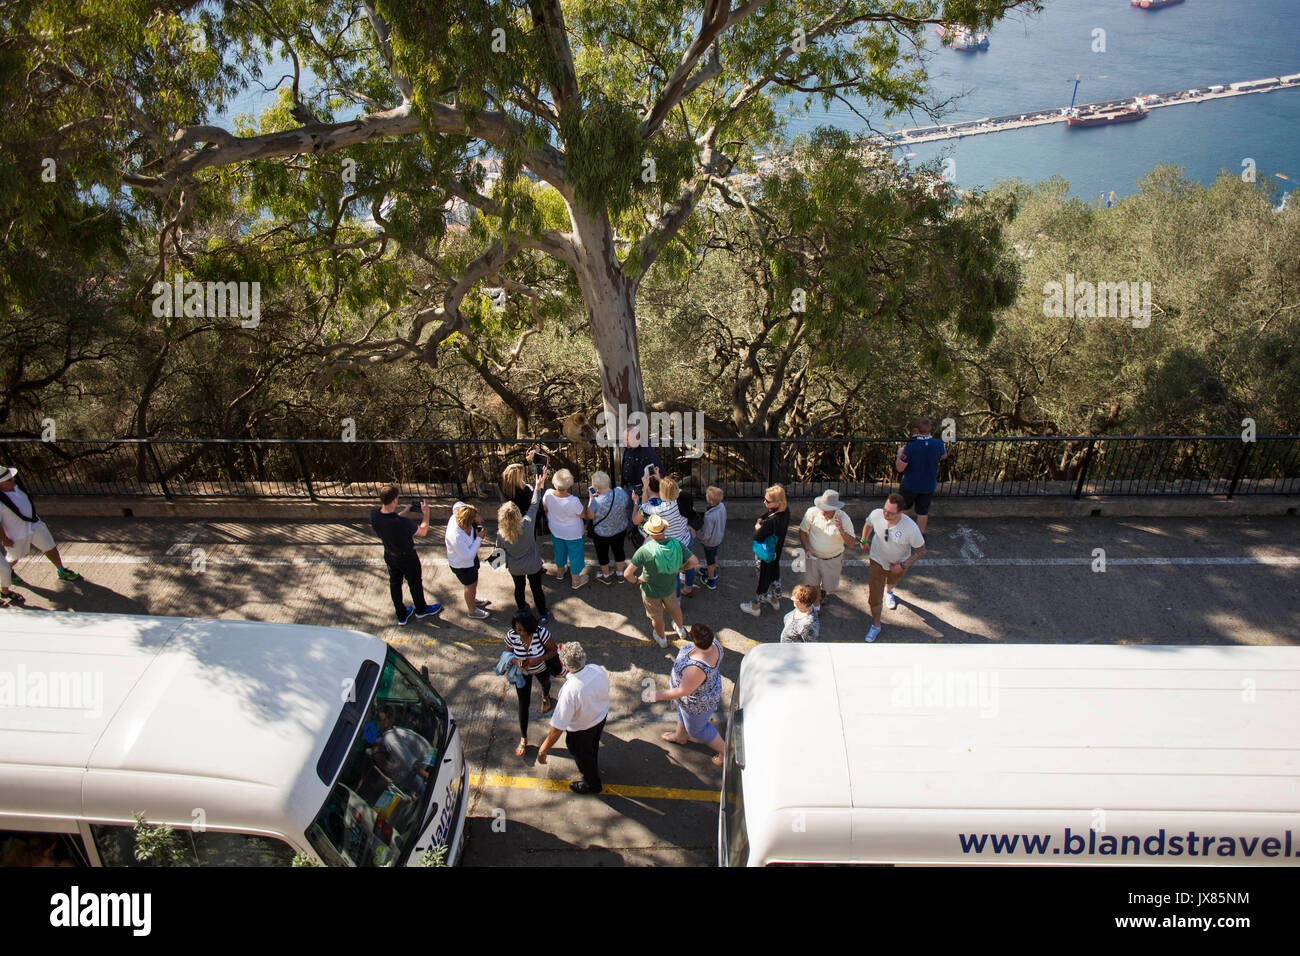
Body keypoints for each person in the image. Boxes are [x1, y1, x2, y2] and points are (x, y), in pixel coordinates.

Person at [646, 623, 725, 766]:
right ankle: (680, 736)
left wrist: (655, 696)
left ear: (695, 641)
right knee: (683, 714)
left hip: (696, 704)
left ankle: (725, 751)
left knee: (697, 730)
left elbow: (682, 691)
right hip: (701, 694)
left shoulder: (695, 668)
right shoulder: (716, 644)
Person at [0, 467, 81, 605]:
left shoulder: (17, 488)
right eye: (9, 480)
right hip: (17, 535)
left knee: (49, 546)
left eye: (12, 478)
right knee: (14, 557)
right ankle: (7, 577)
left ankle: (61, 570)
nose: (13, 480)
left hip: (34, 524)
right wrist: (4, 539)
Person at [537, 641, 610, 794]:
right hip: (600, 718)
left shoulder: (570, 691)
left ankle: (592, 783)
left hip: (581, 730)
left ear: (564, 663)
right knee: (593, 747)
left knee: (583, 757)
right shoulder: (597, 669)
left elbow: (558, 727)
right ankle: (593, 764)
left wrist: (543, 749)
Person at [370, 484, 442, 625]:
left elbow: (390, 518)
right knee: (415, 583)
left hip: (390, 555)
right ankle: (421, 609)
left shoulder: (375, 515)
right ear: (395, 500)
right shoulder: (401, 523)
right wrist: (426, 514)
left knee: (395, 584)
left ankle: (401, 614)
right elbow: (422, 531)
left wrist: (406, 511)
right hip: (407, 557)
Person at [860, 492, 927, 643]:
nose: (885, 514)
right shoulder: (877, 514)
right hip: (877, 560)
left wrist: (903, 565)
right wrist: (864, 539)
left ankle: (889, 590)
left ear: (901, 512)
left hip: (898, 564)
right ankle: (876, 625)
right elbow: (868, 524)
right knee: (874, 596)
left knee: (892, 581)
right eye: (885, 509)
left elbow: (921, 551)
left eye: (890, 513)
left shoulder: (911, 528)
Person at [625, 514, 698, 647]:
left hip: (651, 591)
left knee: (656, 617)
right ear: (664, 529)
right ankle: (681, 630)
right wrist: (681, 569)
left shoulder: (644, 551)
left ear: (649, 533)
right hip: (670, 587)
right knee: (675, 608)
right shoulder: (676, 543)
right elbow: (694, 561)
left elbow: (627, 574)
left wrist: (636, 580)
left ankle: (662, 638)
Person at [504, 610, 563, 758]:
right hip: (522, 673)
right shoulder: (512, 636)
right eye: (517, 629)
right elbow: (507, 655)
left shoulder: (541, 633)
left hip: (541, 668)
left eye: (522, 629)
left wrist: (540, 659)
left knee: (546, 683)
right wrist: (516, 661)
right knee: (523, 704)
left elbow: (553, 651)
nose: (520, 633)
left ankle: (545, 695)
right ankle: (523, 737)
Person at [496, 469, 549, 624]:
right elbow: (534, 504)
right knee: (536, 588)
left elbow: (498, 553)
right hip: (533, 564)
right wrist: (538, 486)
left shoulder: (501, 534)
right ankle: (543, 613)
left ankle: (522, 609)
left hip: (515, 567)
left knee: (519, 588)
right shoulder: (527, 523)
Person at [633, 475, 695, 597]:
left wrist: (645, 488)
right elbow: (673, 490)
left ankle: (677, 598)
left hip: (673, 547)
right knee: (689, 565)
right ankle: (688, 588)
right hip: (687, 540)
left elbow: (643, 509)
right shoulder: (683, 500)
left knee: (674, 574)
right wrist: (661, 480)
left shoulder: (660, 509)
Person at [797, 489, 856, 611]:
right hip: (813, 557)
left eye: (826, 509)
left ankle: (822, 592)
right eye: (821, 507)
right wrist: (806, 549)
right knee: (813, 585)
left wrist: (841, 531)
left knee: (828, 585)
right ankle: (816, 607)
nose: (822, 511)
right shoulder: (812, 512)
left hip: (832, 560)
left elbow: (851, 543)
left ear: (835, 508)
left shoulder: (844, 519)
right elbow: (802, 531)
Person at [739, 484, 788, 617]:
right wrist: (762, 519)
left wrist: (758, 526)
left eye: (767, 501)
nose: (764, 502)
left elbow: (757, 536)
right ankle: (775, 599)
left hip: (765, 555)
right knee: (774, 575)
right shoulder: (784, 512)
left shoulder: (770, 522)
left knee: (763, 579)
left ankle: (756, 606)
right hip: (775, 552)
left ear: (777, 502)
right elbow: (767, 513)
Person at [896, 416, 948, 534]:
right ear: (930, 429)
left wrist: (899, 454)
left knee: (904, 509)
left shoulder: (911, 447)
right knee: (923, 512)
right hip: (928, 485)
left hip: (910, 485)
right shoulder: (938, 443)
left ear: (916, 430)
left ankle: (904, 533)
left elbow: (900, 468)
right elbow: (944, 455)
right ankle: (919, 537)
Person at [543, 468, 589, 588]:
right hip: (573, 533)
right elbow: (583, 514)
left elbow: (545, 508)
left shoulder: (548, 494)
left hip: (555, 529)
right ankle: (576, 580)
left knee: (559, 551)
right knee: (575, 554)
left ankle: (560, 571)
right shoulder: (573, 501)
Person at [446, 501, 490, 619]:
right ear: (466, 521)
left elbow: (457, 504)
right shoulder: (456, 536)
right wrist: (479, 539)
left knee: (473, 583)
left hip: (470, 561)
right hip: (463, 565)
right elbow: (468, 555)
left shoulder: (459, 513)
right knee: (469, 586)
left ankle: (472, 599)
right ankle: (472, 610)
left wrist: (475, 516)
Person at [585, 471, 629, 585]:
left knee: (602, 554)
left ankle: (606, 576)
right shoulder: (620, 492)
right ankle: (620, 574)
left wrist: (591, 498)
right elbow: (625, 504)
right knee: (619, 551)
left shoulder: (596, 501)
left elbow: (590, 516)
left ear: (595, 487)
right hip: (620, 529)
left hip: (601, 534)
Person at [618, 426, 663, 522]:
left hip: (641, 491)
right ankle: (632, 529)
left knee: (639, 512)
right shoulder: (629, 447)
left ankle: (638, 531)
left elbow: (657, 473)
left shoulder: (648, 453)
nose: (624, 442)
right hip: (628, 487)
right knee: (630, 509)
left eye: (627, 439)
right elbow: (627, 462)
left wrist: (646, 490)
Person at [696, 486, 727, 590]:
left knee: (710, 561)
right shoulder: (722, 506)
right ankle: (713, 570)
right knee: (714, 555)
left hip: (710, 542)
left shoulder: (709, 517)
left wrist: (698, 534)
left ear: (711, 500)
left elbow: (706, 535)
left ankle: (711, 579)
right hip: (718, 538)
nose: (705, 496)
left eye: (707, 495)